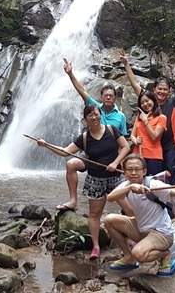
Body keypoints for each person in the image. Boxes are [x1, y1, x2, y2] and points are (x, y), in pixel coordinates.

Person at [35, 104, 131, 260]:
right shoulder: (85, 137)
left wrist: (116, 163)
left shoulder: (112, 130)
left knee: (128, 209)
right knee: (94, 214)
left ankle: (131, 239)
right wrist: (46, 145)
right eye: (90, 115)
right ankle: (95, 247)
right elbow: (65, 152)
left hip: (115, 178)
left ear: (100, 114)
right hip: (95, 179)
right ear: (85, 119)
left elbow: (126, 147)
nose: (94, 117)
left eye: (96, 114)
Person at [120, 49, 175, 185]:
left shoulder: (174, 102)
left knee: (169, 178)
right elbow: (135, 85)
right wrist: (127, 64)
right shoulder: (148, 103)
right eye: (160, 89)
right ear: (154, 90)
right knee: (151, 179)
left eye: (165, 89)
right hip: (150, 146)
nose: (162, 92)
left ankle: (171, 205)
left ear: (169, 92)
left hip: (170, 146)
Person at [58, 58, 128, 212]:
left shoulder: (120, 117)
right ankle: (73, 201)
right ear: (101, 97)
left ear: (115, 98)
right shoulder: (94, 109)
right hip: (91, 155)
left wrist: (118, 162)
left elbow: (123, 142)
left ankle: (127, 213)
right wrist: (70, 73)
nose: (108, 97)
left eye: (111, 95)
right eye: (105, 95)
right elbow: (81, 90)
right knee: (71, 164)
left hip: (110, 158)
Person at [130, 90, 166, 176]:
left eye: (147, 101)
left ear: (153, 100)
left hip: (153, 156)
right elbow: (132, 135)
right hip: (138, 155)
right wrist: (136, 141)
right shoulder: (139, 116)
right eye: (142, 103)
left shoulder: (161, 118)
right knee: (136, 183)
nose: (145, 104)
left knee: (151, 185)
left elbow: (154, 137)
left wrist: (146, 122)